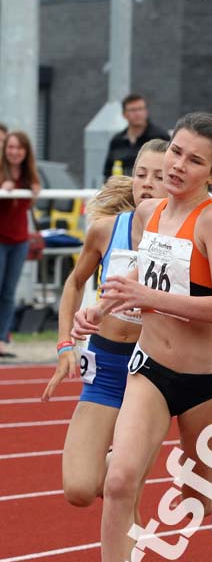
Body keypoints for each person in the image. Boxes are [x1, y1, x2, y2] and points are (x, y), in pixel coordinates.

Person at [72, 112, 212, 562]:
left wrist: (152, 301)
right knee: (120, 481)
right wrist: (97, 310)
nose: (178, 165)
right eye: (176, 151)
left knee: (196, 497)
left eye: (195, 160)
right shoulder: (146, 211)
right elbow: (139, 285)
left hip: (201, 381)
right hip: (147, 368)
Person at [42, 140, 168, 535]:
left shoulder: (183, 241)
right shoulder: (104, 230)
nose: (147, 184)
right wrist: (66, 345)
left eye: (159, 177)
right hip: (106, 366)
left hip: (151, 373)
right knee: (80, 488)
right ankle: (119, 467)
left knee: (123, 491)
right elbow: (74, 283)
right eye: (141, 174)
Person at [0, 130, 41, 358]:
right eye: (11, 147)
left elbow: (26, 205)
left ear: (26, 151)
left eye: (19, 148)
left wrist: (34, 193)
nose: (14, 152)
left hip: (19, 240)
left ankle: (2, 339)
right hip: (1, 239)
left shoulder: (29, 176)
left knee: (8, 293)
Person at [103, 94, 169, 178]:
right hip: (123, 189)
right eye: (133, 110)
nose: (138, 113)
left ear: (146, 111)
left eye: (141, 109)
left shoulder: (160, 137)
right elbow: (108, 173)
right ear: (124, 114)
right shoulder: (116, 141)